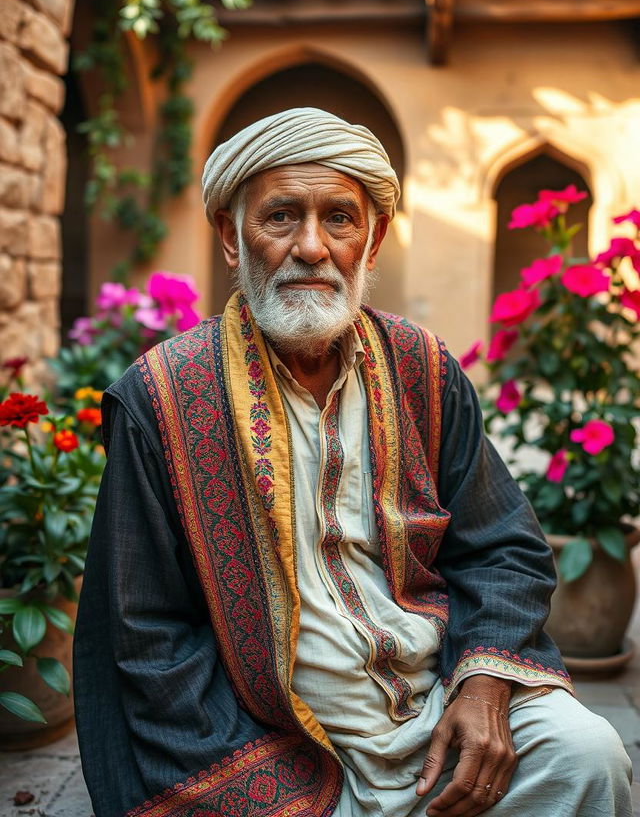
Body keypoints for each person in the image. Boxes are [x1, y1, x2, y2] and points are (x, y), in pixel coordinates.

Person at [73, 107, 632, 817]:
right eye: (280, 218)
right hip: (273, 738)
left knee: (587, 757)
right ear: (228, 235)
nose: (312, 247)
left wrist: (483, 685)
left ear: (371, 243)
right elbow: (144, 635)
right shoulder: (163, 398)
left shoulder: (422, 368)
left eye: (339, 218)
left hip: (438, 704)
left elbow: (503, 548)